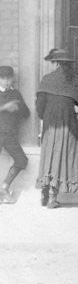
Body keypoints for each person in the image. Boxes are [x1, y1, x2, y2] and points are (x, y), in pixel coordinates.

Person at [35, 48, 78, 209]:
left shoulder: (47, 79)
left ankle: (45, 191)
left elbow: (40, 105)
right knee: (63, 155)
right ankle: (53, 198)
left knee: (49, 154)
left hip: (51, 123)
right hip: (68, 122)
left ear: (56, 63)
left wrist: (46, 117)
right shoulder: (76, 80)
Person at [0, 65, 30, 204]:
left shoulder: (15, 94)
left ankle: (4, 188)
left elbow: (26, 114)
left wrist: (17, 107)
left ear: (12, 79)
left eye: (8, 78)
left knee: (21, 160)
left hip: (9, 135)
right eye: (2, 78)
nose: (6, 81)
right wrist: (4, 108)